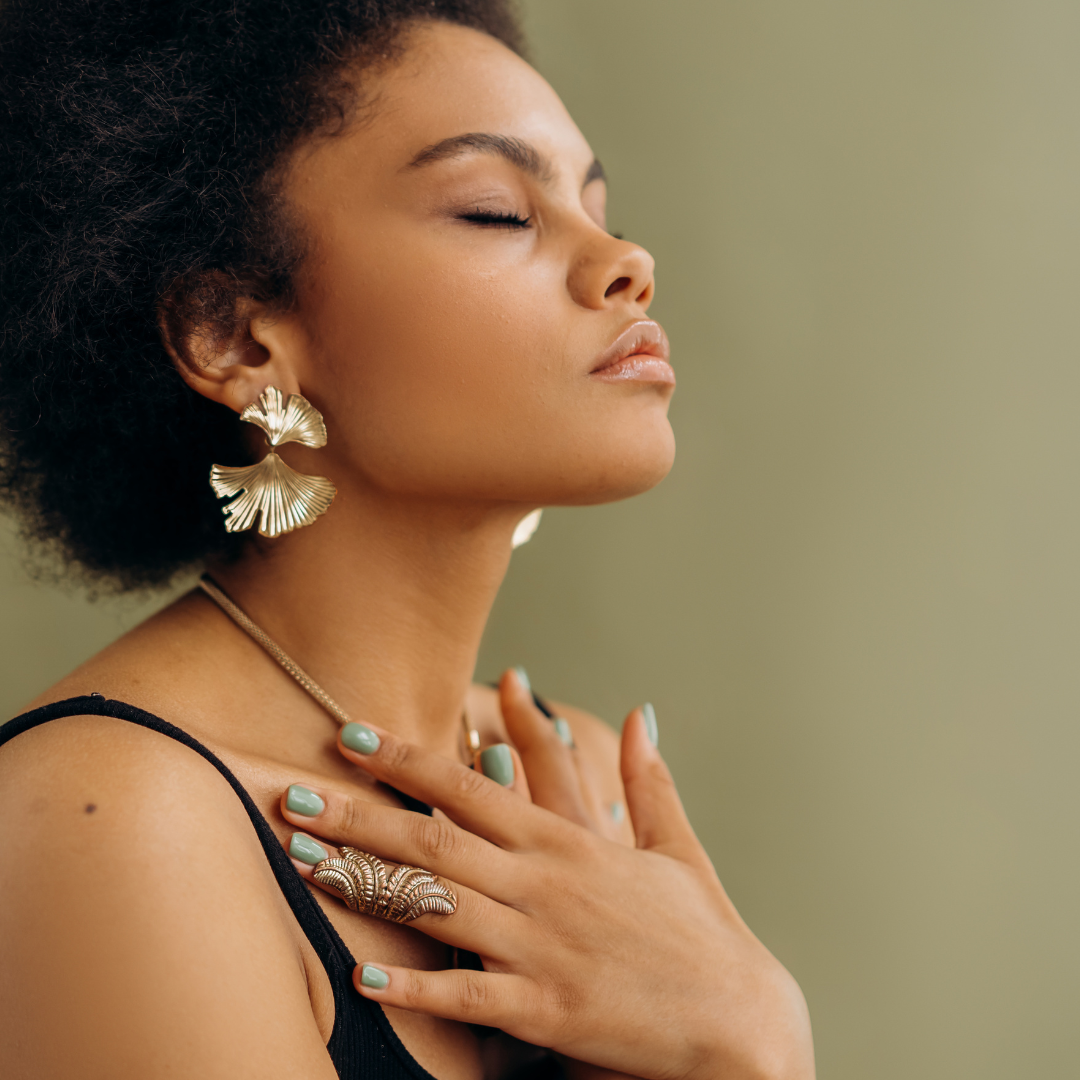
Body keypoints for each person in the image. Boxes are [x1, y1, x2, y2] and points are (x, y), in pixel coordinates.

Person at [0, 3, 815, 1078]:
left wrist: (743, 1025)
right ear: (235, 335)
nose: (625, 260)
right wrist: (751, 1041)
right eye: (494, 212)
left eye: (594, 202)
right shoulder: (110, 823)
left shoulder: (572, 792)